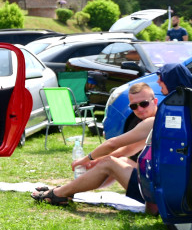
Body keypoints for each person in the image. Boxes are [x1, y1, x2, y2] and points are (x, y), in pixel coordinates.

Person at [32, 64, 192, 205]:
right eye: (134, 106)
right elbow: (128, 149)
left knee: (110, 163)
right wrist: (96, 162)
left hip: (161, 192)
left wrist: (86, 159)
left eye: (161, 79)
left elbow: (113, 143)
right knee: (118, 160)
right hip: (170, 186)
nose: (157, 82)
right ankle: (67, 190)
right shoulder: (181, 112)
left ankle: (59, 194)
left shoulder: (154, 121)